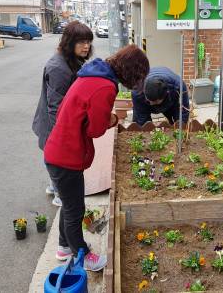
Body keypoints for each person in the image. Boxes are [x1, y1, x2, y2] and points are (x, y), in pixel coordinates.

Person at [44, 44, 150, 271]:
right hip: (66, 156)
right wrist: (111, 119)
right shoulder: (104, 86)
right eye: (139, 75)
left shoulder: (92, 73)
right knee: (75, 210)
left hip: (59, 150)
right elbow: (95, 129)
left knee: (69, 205)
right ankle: (82, 255)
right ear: (132, 71)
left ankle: (64, 246)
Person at [32, 21, 93, 207]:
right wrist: (65, 134)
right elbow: (55, 106)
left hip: (54, 124)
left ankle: (53, 185)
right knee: (58, 159)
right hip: (53, 125)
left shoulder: (70, 60)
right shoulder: (58, 68)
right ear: (69, 42)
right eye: (81, 42)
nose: (86, 46)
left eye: (88, 41)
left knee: (53, 157)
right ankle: (60, 193)